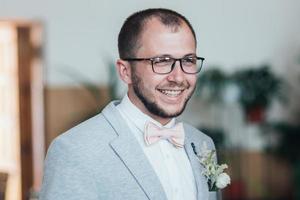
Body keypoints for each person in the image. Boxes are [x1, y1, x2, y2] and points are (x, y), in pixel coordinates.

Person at [40, 8, 218, 200]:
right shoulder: (74, 150)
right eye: (161, 61)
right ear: (125, 71)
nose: (178, 77)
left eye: (188, 60)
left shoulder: (203, 144)